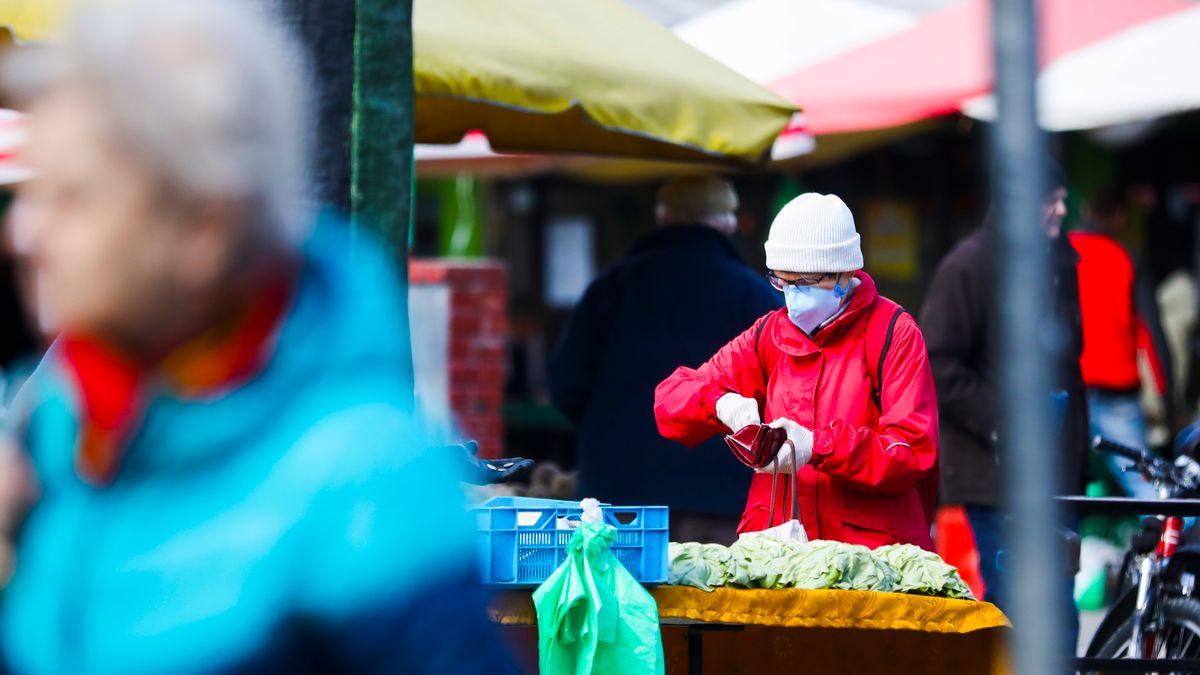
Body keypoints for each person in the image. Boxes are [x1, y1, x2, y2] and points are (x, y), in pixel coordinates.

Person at [0, 3, 518, 673]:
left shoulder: (373, 486)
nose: (23, 233)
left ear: (204, 231)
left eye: (76, 198)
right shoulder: (53, 432)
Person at [653, 193, 939, 549]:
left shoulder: (894, 333)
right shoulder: (768, 334)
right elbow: (670, 400)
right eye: (781, 282)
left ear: (843, 272)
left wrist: (819, 447)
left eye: (803, 282)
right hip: (780, 551)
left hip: (869, 557)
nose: (791, 296)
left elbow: (911, 450)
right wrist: (719, 404)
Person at [550, 176, 780, 544]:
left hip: (619, 500)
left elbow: (565, 385)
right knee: (714, 602)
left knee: (618, 601)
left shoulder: (610, 287)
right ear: (727, 224)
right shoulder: (758, 296)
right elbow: (783, 397)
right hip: (723, 504)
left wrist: (615, 429)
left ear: (663, 218)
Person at [920, 165, 1088, 615]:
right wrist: (1006, 424)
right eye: (1049, 198)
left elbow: (1068, 368)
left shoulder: (1059, 261)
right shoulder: (969, 266)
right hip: (996, 479)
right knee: (1020, 608)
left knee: (1058, 610)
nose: (1061, 208)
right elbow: (937, 362)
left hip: (1057, 476)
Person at [1070, 187, 1173, 498]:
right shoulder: (1127, 257)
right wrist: (1167, 396)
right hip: (1119, 391)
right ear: (1119, 217)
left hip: (1068, 388)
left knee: (1058, 487)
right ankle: (1171, 543)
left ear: (1087, 212)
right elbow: (1151, 332)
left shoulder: (1061, 252)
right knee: (1147, 487)